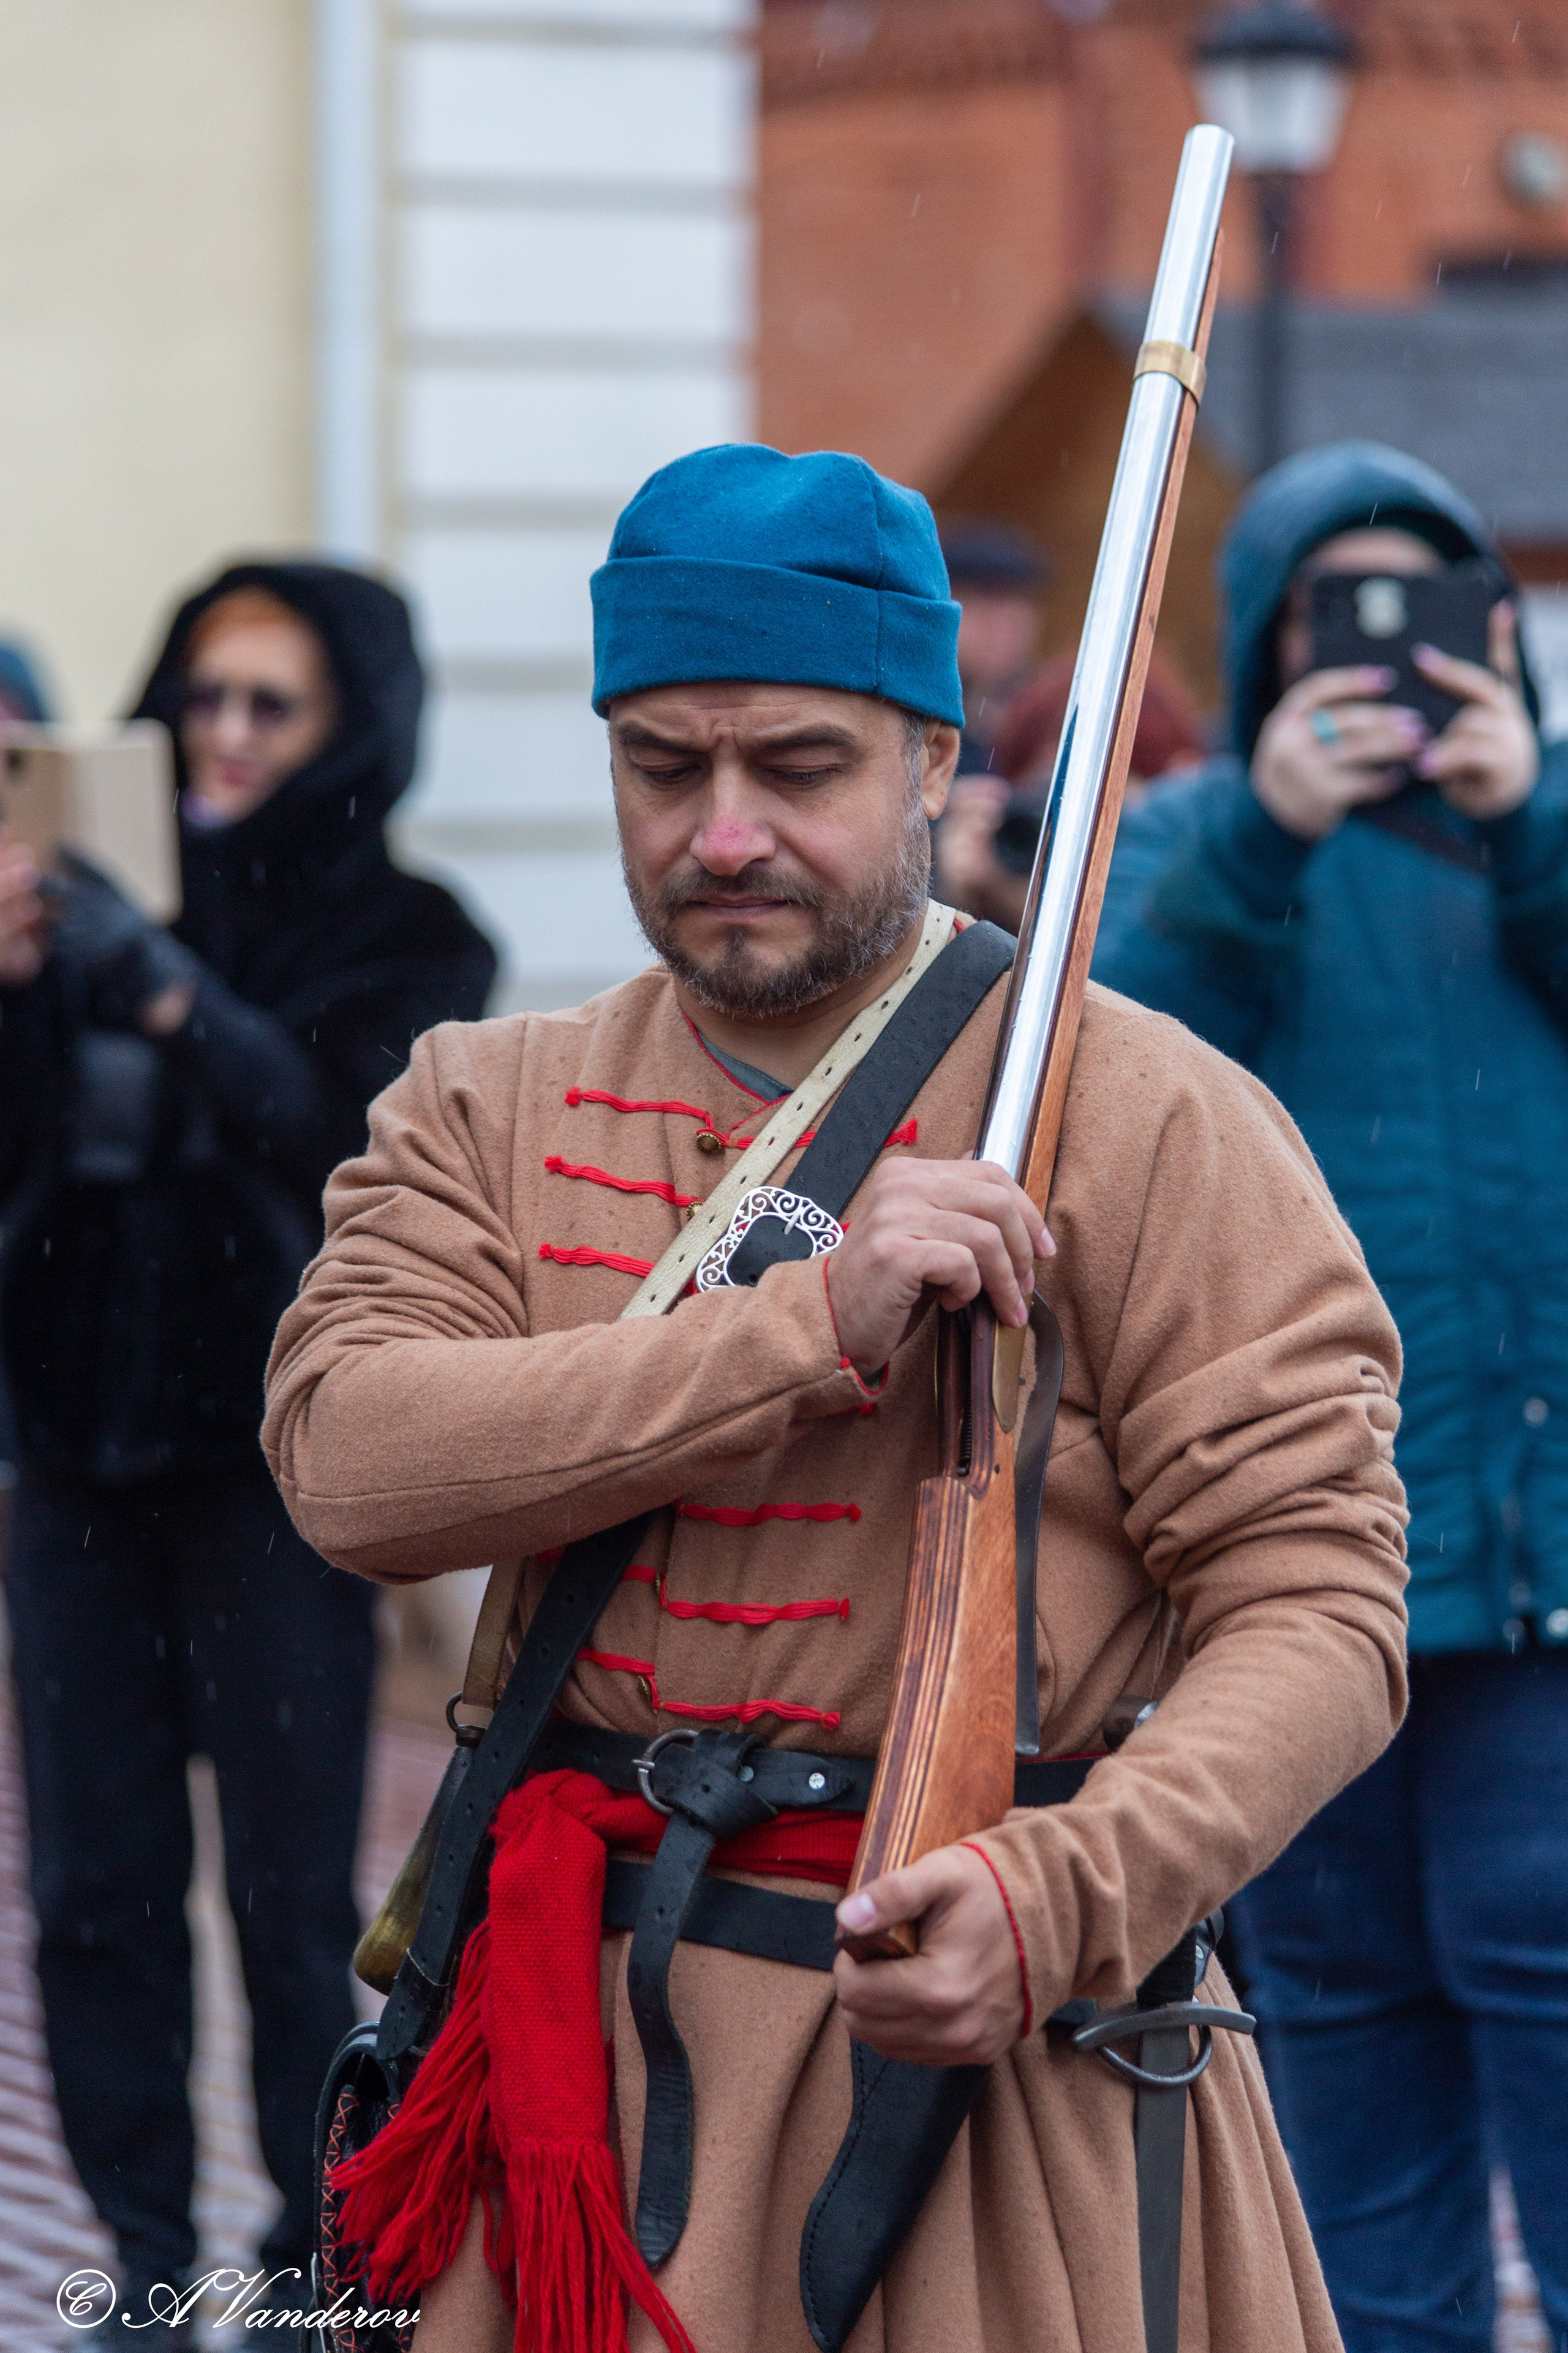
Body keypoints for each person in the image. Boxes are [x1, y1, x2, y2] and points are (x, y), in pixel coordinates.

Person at [263, 444, 1407, 2353]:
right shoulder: (483, 1098)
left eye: (797, 766)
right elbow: (352, 1462)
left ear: (936, 761)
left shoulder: (1152, 1115)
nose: (721, 833)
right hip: (564, 2069)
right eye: (661, 767)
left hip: (993, 2062)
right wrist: (806, 1329)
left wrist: (1066, 1889)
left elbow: (1321, 1603)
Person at [1091, 441, 1568, 2352]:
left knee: (1544, 1990)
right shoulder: (1187, 841)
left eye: (1427, 615)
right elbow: (1098, 1083)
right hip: (1287, 1578)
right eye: (1328, 622)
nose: (1386, 665)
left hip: (1539, 1586)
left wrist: (1527, 825)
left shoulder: (1540, 826)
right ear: (1262, 646)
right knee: (1344, 2054)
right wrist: (1255, 843)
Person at [0, 562, 496, 2332]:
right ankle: (138, 2266)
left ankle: (315, 2262)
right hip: (71, 1463)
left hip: (278, 1475)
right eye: (198, 695)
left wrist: (168, 995)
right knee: (91, 1894)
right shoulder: (69, 905)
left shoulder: (415, 934)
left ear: (353, 725)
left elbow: (326, 1127)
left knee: (298, 1905)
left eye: (269, 706)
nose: (221, 736)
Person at [933, 647, 1207, 931]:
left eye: (1096, 802)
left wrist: (1035, 920)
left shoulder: (1202, 892)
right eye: (1044, 794)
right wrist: (955, 914)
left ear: (1179, 784)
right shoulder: (998, 884)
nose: (1067, 834)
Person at [938, 516, 1049, 777]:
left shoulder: (1042, 715)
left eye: (1015, 611)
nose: (1002, 630)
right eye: (984, 608)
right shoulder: (913, 710)